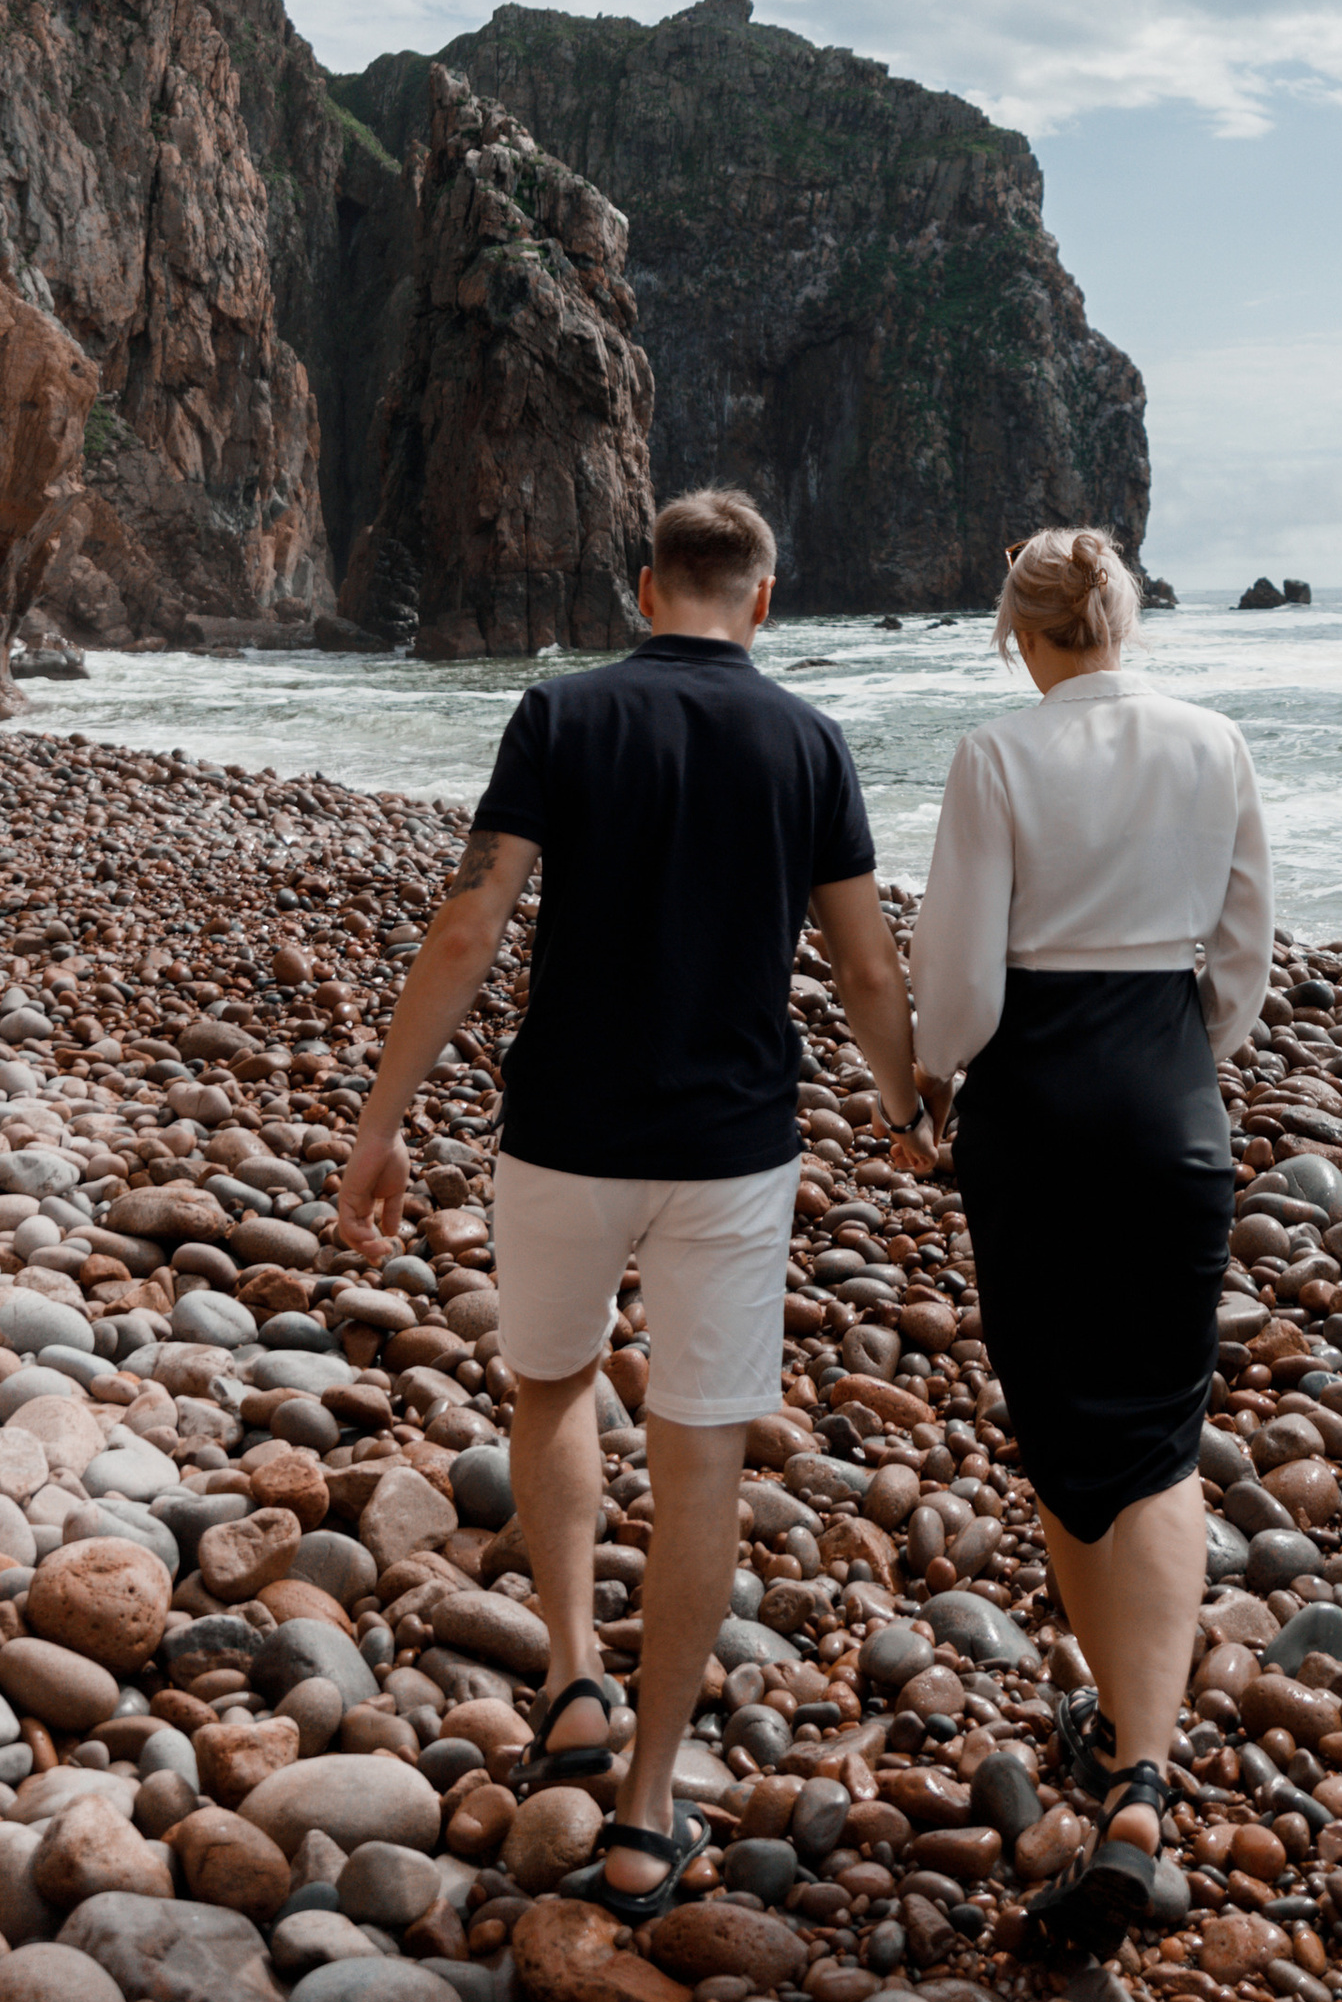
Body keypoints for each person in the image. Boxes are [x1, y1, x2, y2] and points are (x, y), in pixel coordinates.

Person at [336, 486, 929, 1920]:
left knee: (551, 1386)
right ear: (764, 599)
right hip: (732, 1149)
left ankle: (571, 1676)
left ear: (645, 587)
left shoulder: (561, 714)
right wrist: (910, 1109)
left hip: (564, 1135)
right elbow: (863, 968)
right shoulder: (810, 741)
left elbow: (470, 923)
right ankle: (651, 1804)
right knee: (703, 1456)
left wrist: (382, 1122)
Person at [909, 525, 1272, 1957]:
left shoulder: (996, 755)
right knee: (1163, 1436)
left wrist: (933, 1079)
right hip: (1168, 1094)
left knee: (1063, 1426)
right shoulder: (1215, 743)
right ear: (1121, 616)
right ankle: (1141, 1770)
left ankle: (1128, 1746)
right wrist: (1184, 1069)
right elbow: (1241, 952)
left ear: (1019, 632)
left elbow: (959, 978)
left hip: (1039, 1109)